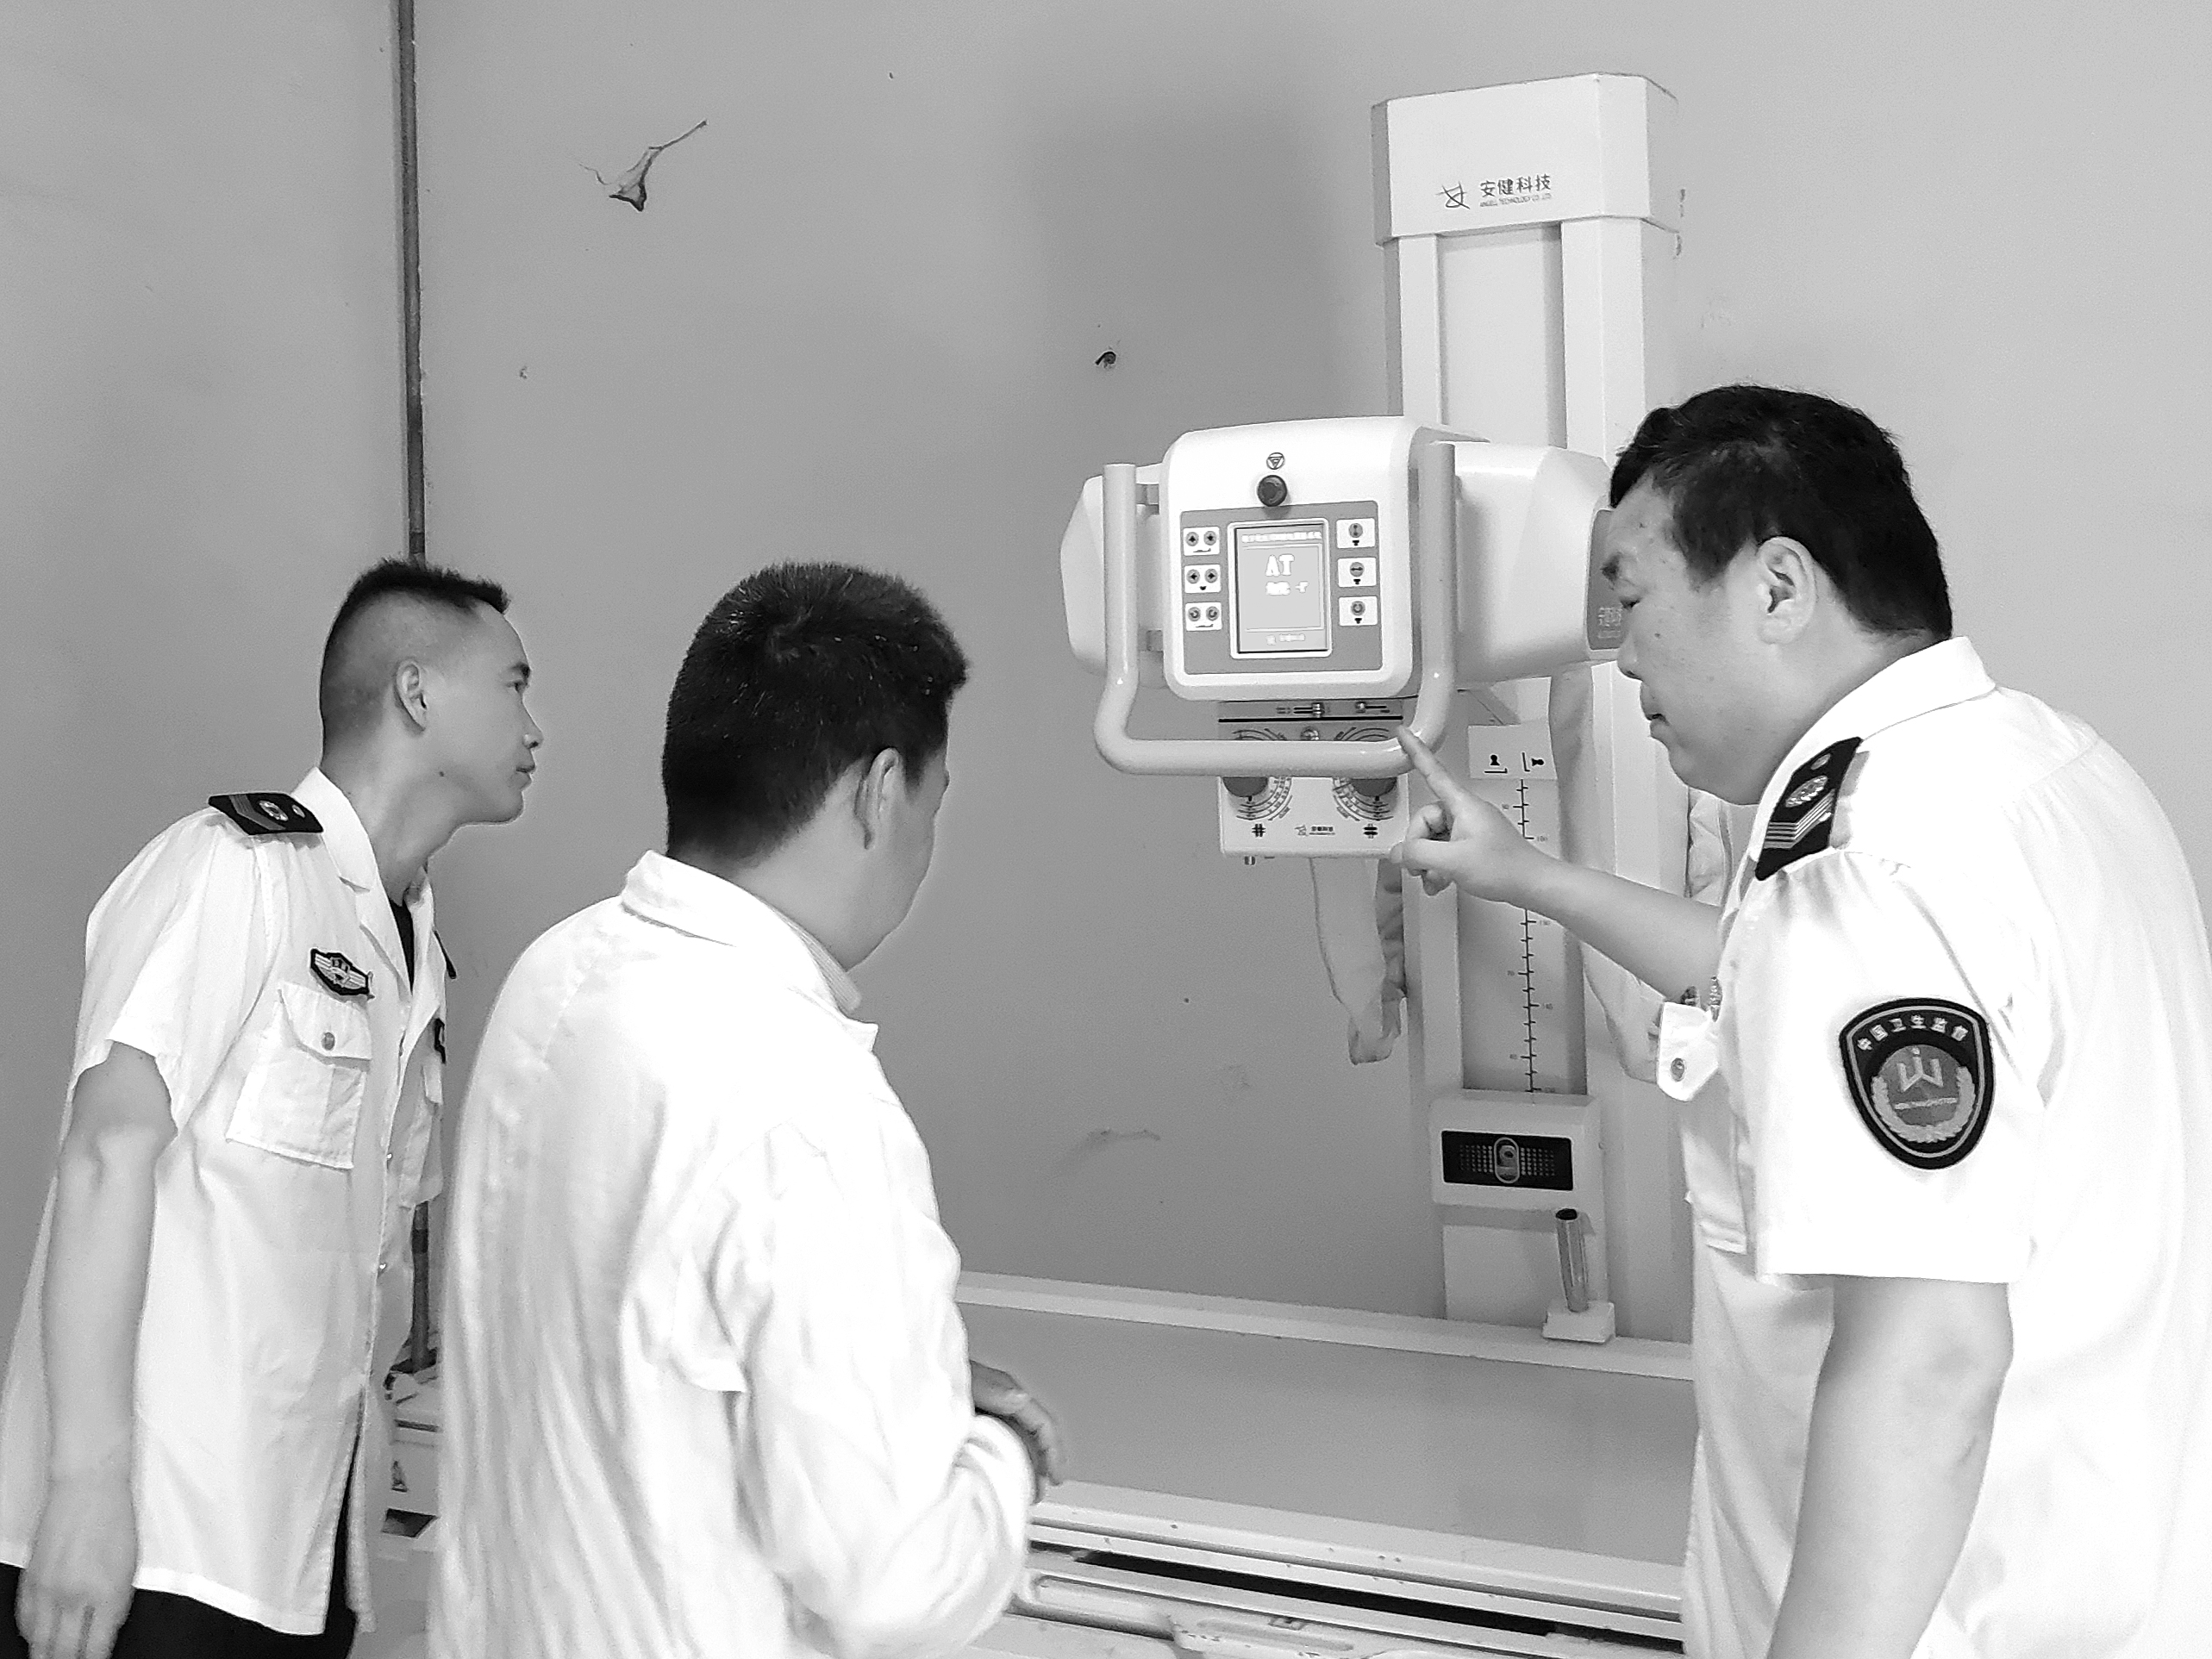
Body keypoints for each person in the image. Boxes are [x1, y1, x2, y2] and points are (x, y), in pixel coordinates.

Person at [1395, 384, 2212, 1659]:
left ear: (1778, 587)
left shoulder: (1864, 866)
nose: (1621, 655)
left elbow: (1928, 1361)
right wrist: (1526, 875)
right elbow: (1762, 979)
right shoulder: (2039, 771)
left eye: (1633, 597)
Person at [432, 561, 1059, 1659]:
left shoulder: (558, 973)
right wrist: (998, 1456)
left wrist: (897, 1381)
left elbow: (628, 1319)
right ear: (879, 792)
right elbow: (890, 1584)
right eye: (933, 800)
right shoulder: (806, 1097)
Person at [0, 559, 541, 1659]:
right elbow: (105, 1154)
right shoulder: (236, 870)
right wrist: (85, 1485)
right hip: (154, 1541)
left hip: (297, 1549)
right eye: (514, 685)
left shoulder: (412, 951)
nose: (534, 726)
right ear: (417, 691)